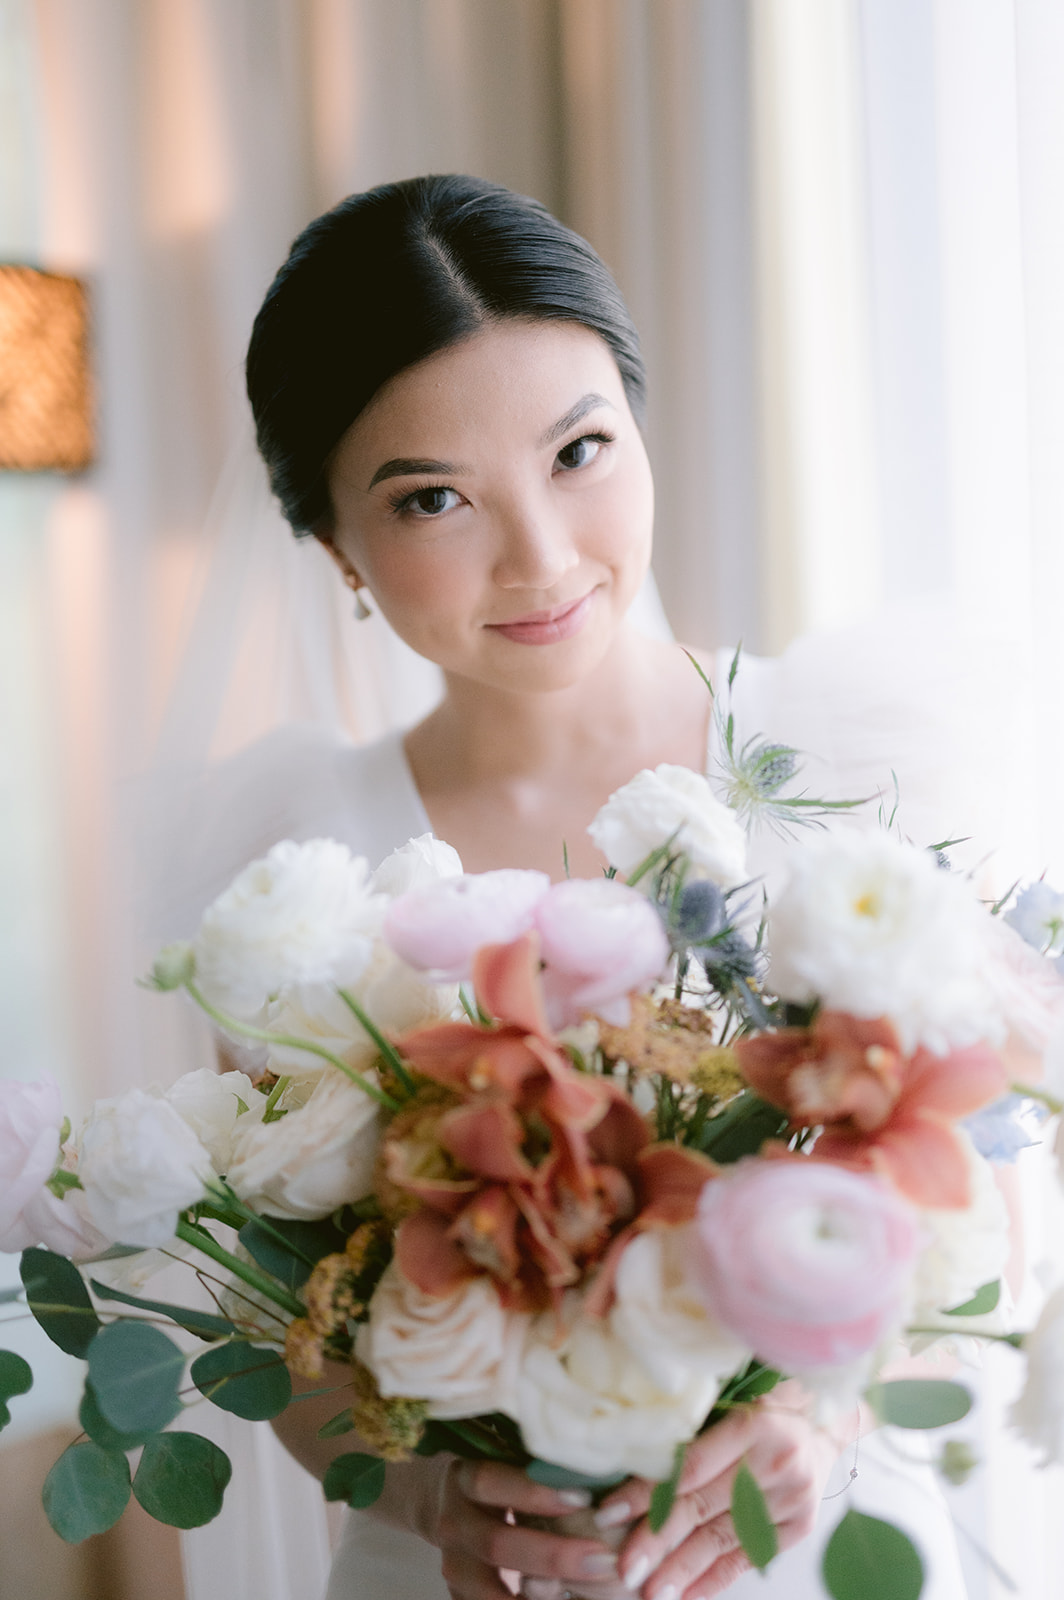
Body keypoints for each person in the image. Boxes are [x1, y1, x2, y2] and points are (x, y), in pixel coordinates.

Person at [184, 175, 971, 1599]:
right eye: (433, 498)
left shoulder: (853, 761)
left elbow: (991, 1201)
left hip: (801, 1544)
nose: (541, 556)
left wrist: (820, 1411)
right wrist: (427, 1492)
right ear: (333, 552)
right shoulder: (295, 875)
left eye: (579, 451)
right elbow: (277, 1326)